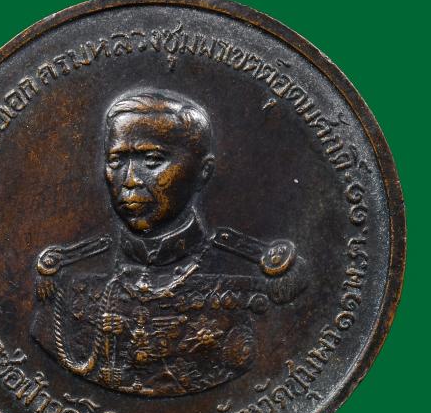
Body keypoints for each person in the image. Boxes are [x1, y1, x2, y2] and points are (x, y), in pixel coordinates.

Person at [31, 91, 306, 396]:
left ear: (203, 172)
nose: (130, 179)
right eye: (116, 160)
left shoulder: (251, 271)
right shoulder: (69, 272)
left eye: (152, 160)